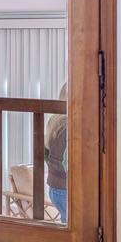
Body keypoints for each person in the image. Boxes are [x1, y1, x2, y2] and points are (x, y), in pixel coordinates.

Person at [43, 84, 68, 222]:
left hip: (54, 187)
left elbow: (46, 153)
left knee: (66, 225)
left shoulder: (54, 122)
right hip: (65, 188)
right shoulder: (70, 125)